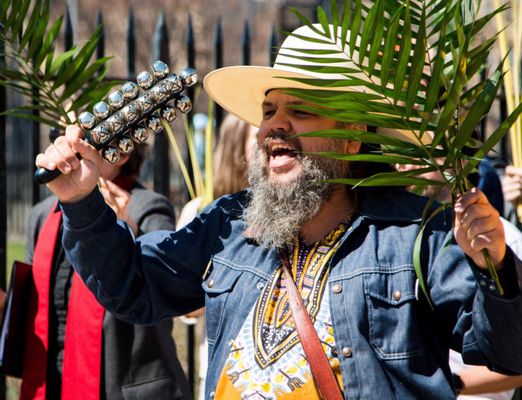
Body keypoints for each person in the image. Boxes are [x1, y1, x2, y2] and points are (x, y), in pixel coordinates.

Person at [35, 24, 522, 399]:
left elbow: (507, 352)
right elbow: (133, 287)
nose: (276, 126)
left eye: (303, 110)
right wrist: (81, 200)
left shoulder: (416, 234)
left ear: (352, 137)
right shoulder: (228, 222)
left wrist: (496, 267)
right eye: (269, 111)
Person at [22, 138, 191, 400]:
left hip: (121, 389)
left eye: (80, 139)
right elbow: (34, 312)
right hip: (55, 382)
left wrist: (122, 231)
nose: (66, 146)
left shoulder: (149, 208)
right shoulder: (42, 215)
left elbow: (163, 291)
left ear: (121, 153)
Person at [177, 113, 257, 400]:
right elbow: (186, 307)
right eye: (257, 131)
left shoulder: (292, 213)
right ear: (237, 145)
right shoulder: (200, 212)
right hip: (222, 373)